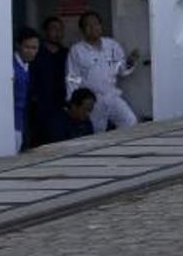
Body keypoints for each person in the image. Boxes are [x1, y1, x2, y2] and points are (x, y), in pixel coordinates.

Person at [67, 11, 139, 134]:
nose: (93, 28)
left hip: (112, 95)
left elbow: (120, 70)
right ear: (82, 30)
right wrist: (73, 102)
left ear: (101, 26)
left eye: (96, 24)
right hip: (92, 101)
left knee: (130, 121)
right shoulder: (77, 50)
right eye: (88, 26)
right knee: (96, 132)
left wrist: (129, 62)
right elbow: (73, 78)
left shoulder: (111, 45)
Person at [28, 15, 70, 148]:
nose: (57, 33)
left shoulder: (66, 53)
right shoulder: (37, 52)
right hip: (40, 103)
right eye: (53, 29)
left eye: (60, 29)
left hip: (61, 101)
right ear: (45, 31)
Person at [13, 28, 39, 151]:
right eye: (27, 47)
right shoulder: (10, 66)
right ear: (18, 46)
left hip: (24, 124)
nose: (31, 52)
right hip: (12, 125)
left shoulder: (30, 66)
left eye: (34, 48)